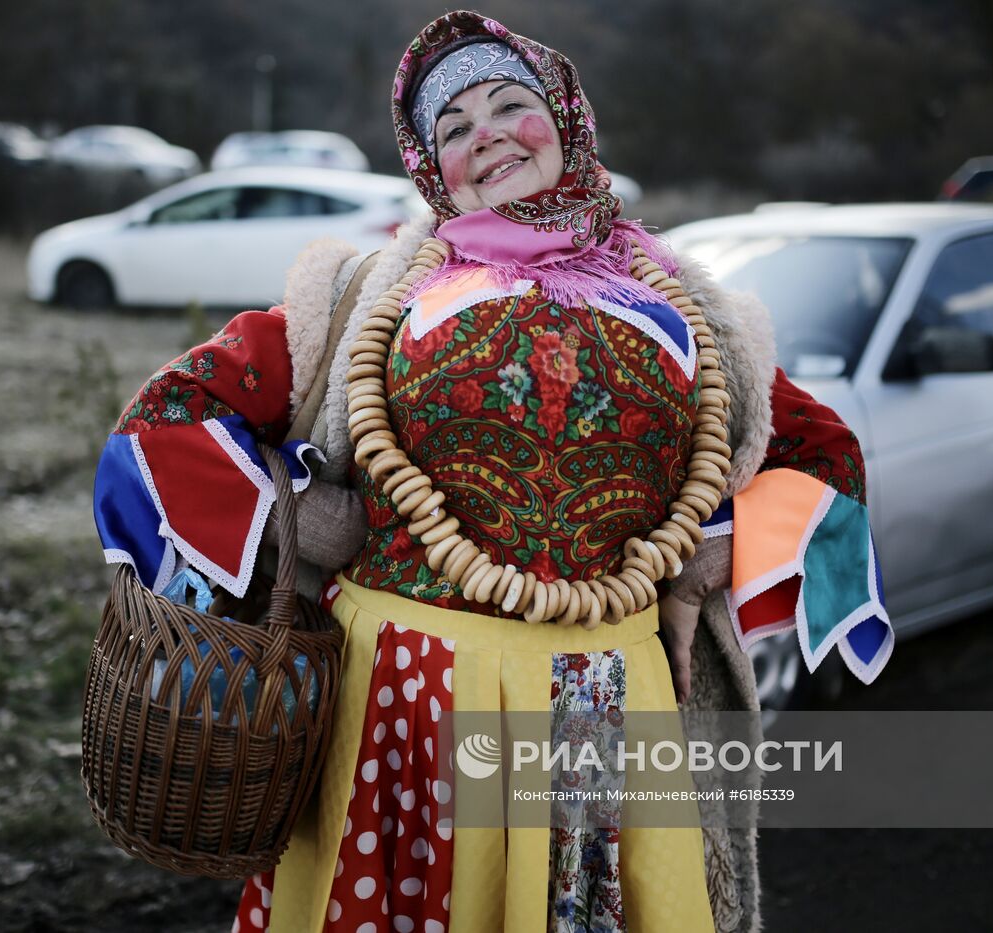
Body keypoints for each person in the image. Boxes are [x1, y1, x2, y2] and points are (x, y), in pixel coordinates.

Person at [93, 11, 893, 932]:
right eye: (454, 128)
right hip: (403, 706)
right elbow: (165, 416)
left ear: (567, 117)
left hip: (609, 709)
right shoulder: (373, 295)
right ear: (432, 169)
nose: (489, 137)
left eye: (511, 105)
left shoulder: (690, 313)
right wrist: (304, 514)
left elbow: (824, 455)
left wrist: (705, 554)